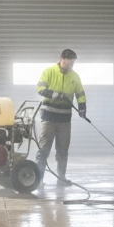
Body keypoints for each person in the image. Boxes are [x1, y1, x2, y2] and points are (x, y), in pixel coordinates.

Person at [36, 49, 87, 183]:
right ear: (62, 59)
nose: (71, 66)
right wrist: (55, 94)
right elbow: (40, 89)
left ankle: (61, 178)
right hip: (49, 117)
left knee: (63, 150)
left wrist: (82, 108)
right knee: (44, 148)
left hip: (65, 118)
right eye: (70, 63)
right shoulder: (49, 71)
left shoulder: (75, 76)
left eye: (73, 63)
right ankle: (38, 178)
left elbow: (80, 94)